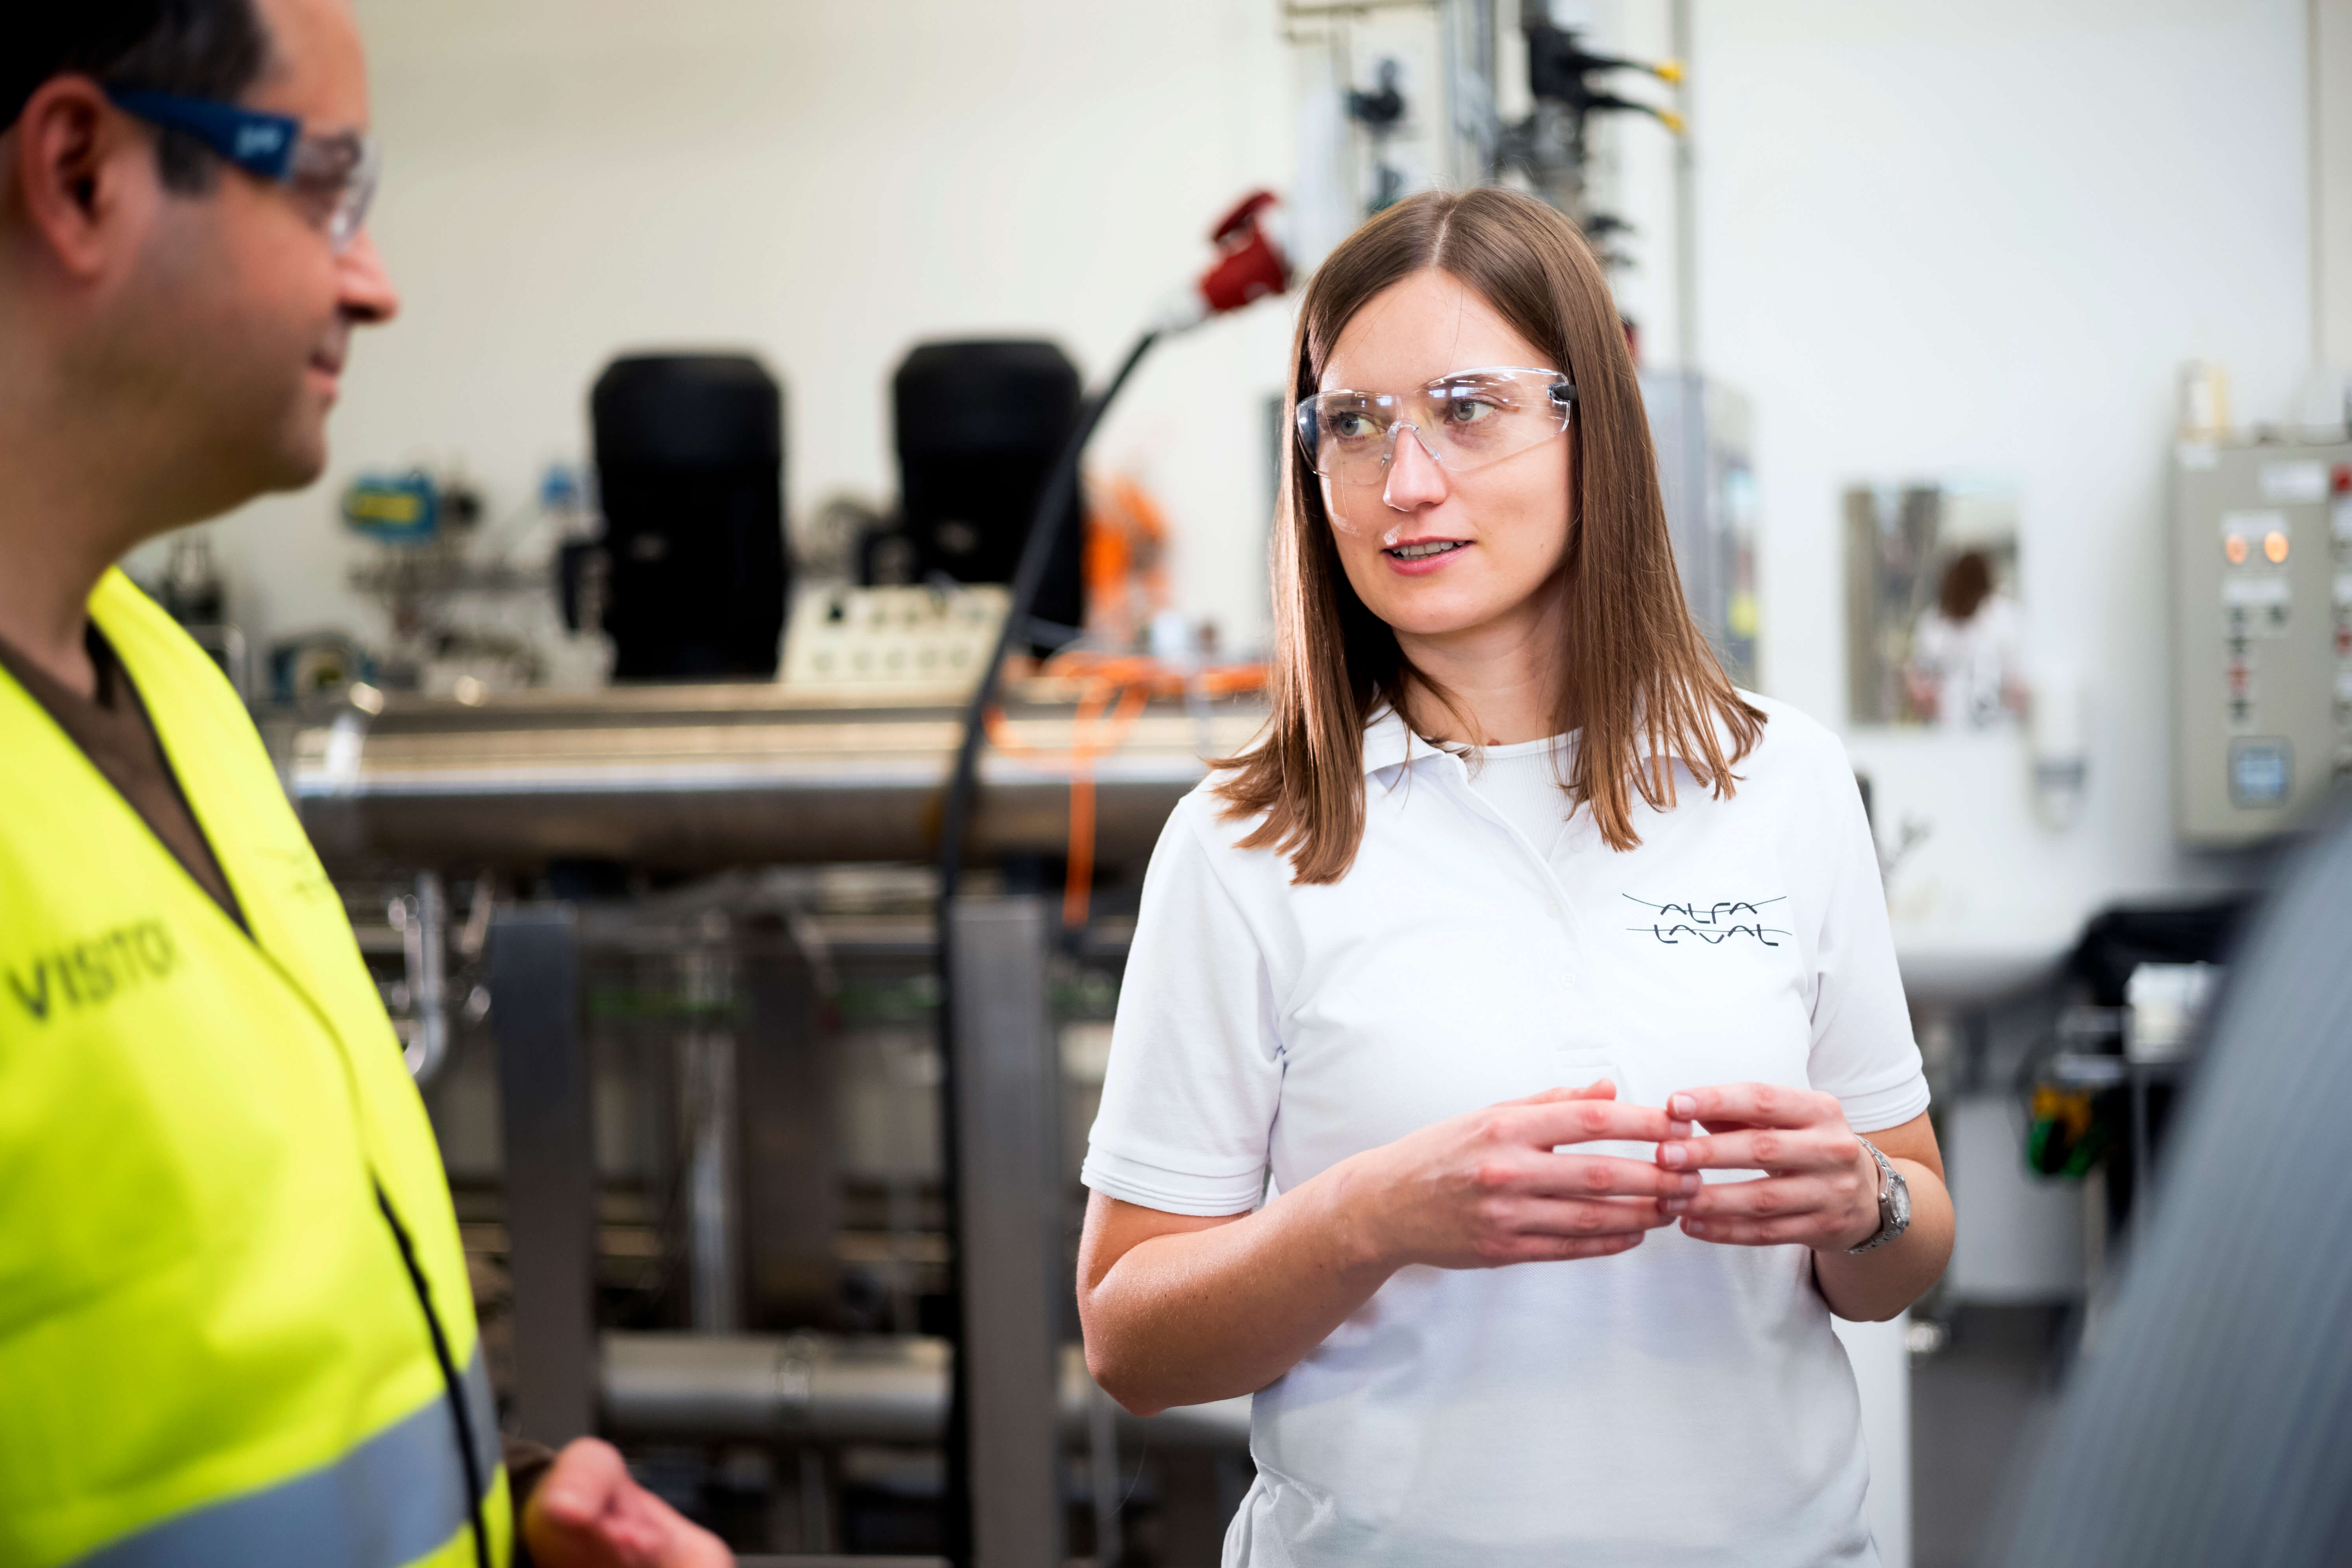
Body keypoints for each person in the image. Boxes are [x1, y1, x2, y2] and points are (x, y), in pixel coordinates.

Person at [1076, 187, 1956, 1567]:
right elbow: (1130, 1338)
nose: (1405, 482)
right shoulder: (1249, 839)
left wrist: (1867, 1204)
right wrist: (1371, 1218)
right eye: (1352, 425)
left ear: (1589, 430)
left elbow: (1905, 1245)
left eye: (1468, 407)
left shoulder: (1777, 783)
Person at [0, 5, 727, 1566]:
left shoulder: (165, 681)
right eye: (328, 187)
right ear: (78, 174)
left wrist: (497, 1515)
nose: (375, 280)